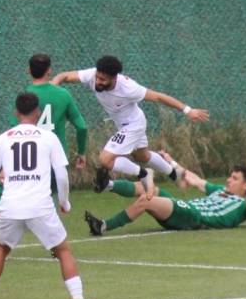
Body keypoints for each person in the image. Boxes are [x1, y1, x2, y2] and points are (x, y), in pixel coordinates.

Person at [0, 92, 95, 299]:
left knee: (1, 248)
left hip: (10, 206)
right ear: (37, 113)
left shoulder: (3, 138)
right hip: (40, 206)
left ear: (16, 112)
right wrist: (64, 202)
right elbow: (62, 175)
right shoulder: (48, 138)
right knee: (63, 250)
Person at [51, 55, 209, 199]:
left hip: (133, 125)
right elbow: (64, 76)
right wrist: (53, 85)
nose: (98, 81)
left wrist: (188, 110)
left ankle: (143, 174)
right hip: (129, 123)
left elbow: (159, 97)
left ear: (114, 78)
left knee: (105, 160)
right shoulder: (92, 75)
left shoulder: (128, 87)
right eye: (98, 77)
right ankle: (175, 174)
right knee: (143, 157)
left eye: (103, 80)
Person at [84, 147, 246, 235]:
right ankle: (107, 185)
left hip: (194, 218)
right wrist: (172, 162)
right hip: (186, 209)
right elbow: (194, 179)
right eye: (230, 176)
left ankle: (103, 226)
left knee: (147, 199)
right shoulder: (220, 190)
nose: (229, 180)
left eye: (235, 178)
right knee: (151, 189)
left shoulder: (245, 206)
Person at [0, 53, 89, 224]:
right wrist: (81, 153)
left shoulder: (25, 97)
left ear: (28, 70)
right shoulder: (63, 95)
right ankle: (52, 241)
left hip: (27, 160)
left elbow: (15, 131)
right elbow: (82, 127)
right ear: (49, 71)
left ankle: (1, 241)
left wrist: (4, 166)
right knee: (45, 200)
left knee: (2, 192)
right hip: (54, 159)